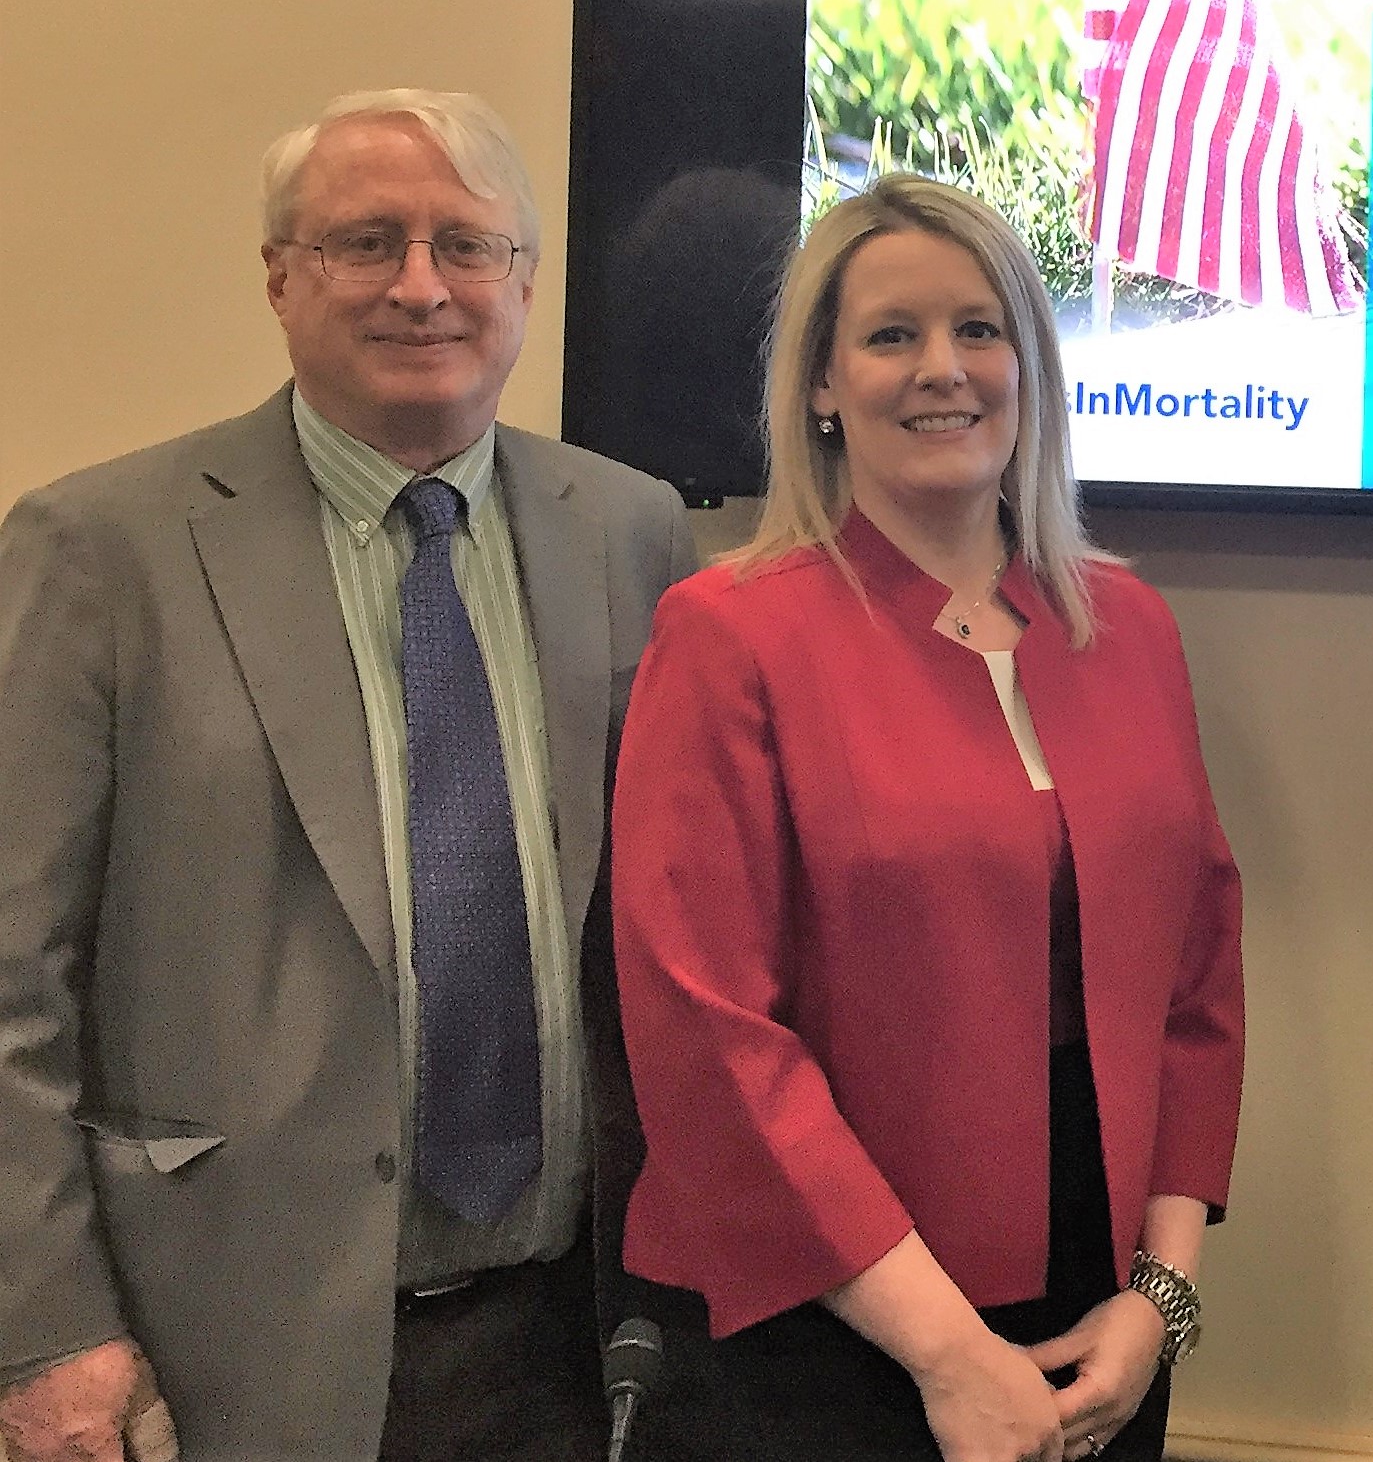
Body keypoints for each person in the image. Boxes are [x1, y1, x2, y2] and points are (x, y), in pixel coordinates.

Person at [0, 89, 702, 1462]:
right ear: (279, 275)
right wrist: (41, 1325)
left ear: (526, 279)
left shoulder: (629, 529)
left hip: (562, 1331)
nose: (421, 285)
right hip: (217, 1340)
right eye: (366, 240)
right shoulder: (102, 548)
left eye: (468, 244)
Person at [610, 174, 1243, 1462]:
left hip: (1100, 1319)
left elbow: (1197, 983)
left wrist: (1159, 1302)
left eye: (980, 329)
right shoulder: (731, 634)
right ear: (824, 387)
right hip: (828, 1319)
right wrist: (951, 1357)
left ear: (1031, 366)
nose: (943, 370)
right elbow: (708, 1032)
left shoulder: (1129, 629)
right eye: (892, 335)